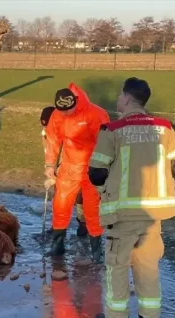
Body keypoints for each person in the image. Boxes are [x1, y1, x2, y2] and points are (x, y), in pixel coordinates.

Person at [88, 77, 175, 318]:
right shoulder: (165, 128)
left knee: (117, 266)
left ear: (128, 98)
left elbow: (96, 173)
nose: (118, 100)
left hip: (123, 214)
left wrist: (108, 187)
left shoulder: (112, 129)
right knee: (148, 266)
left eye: (120, 96)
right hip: (155, 213)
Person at [43, 83, 111, 257]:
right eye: (62, 111)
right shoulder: (57, 116)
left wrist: (103, 168)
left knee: (92, 208)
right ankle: (58, 245)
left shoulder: (95, 114)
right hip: (69, 167)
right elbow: (52, 140)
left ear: (76, 102)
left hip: (92, 168)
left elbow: (106, 143)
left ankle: (96, 250)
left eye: (69, 111)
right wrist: (50, 165)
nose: (65, 114)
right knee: (60, 205)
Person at [40, 106, 88, 238]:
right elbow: (48, 149)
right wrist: (50, 169)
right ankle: (57, 227)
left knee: (80, 197)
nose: (45, 131)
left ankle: (83, 226)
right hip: (64, 168)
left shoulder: (71, 131)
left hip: (78, 167)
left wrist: (57, 177)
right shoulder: (46, 133)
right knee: (59, 198)